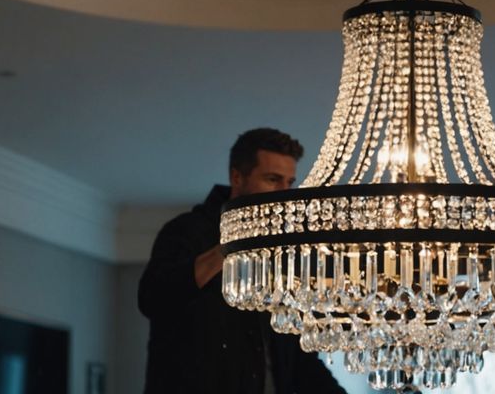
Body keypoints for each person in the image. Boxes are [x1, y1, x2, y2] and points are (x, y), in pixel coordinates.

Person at [138, 128, 347, 394]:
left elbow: (297, 361)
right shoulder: (187, 231)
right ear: (237, 177)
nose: (284, 193)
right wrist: (233, 244)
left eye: (289, 182)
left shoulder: (280, 255)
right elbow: (152, 298)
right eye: (272, 179)